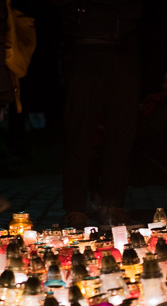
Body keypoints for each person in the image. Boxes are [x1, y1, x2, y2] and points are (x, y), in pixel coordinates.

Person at [55, 0, 143, 229]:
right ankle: (75, 208)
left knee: (122, 131)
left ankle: (114, 205)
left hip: (125, 47)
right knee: (79, 132)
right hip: (83, 47)